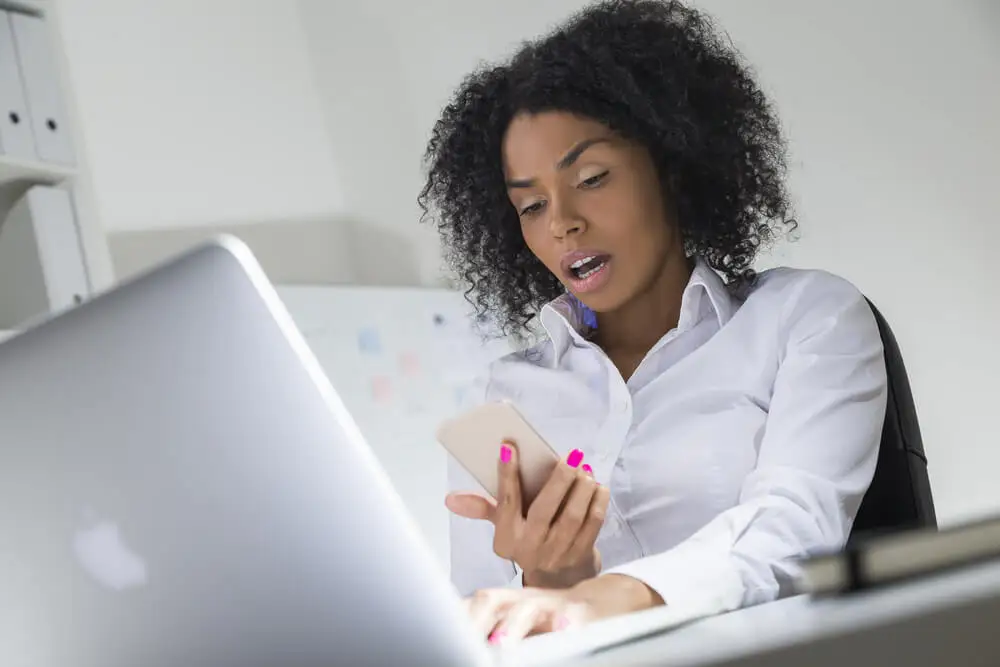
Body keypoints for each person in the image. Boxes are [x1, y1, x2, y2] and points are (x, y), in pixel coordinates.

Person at [418, 0, 886, 645]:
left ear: (670, 164)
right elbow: (486, 624)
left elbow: (793, 529)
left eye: (592, 177)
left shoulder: (806, 318)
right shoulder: (511, 396)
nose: (561, 223)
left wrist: (603, 596)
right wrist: (552, 581)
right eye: (529, 205)